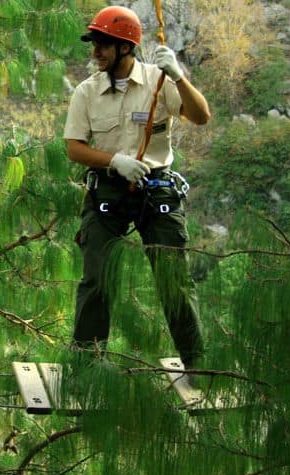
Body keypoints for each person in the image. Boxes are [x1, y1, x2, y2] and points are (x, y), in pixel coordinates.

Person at [63, 6, 211, 373]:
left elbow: (201, 115)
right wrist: (114, 160)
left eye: (103, 44)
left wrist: (178, 76)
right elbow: (74, 147)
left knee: (174, 283)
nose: (95, 51)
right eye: (95, 43)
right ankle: (86, 366)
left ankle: (197, 366)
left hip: (156, 190)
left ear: (125, 48)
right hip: (108, 192)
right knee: (97, 282)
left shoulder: (159, 82)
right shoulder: (87, 92)